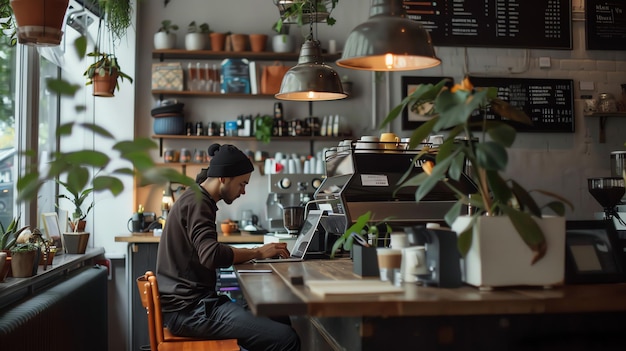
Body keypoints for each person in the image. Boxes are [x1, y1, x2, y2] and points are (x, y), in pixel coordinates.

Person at [156, 143, 300, 351]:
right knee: (287, 339)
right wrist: (257, 252)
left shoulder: (197, 198)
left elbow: (207, 249)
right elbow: (211, 255)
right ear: (223, 178)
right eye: (242, 184)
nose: (243, 191)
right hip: (190, 312)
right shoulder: (199, 203)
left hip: (192, 306)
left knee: (279, 317)